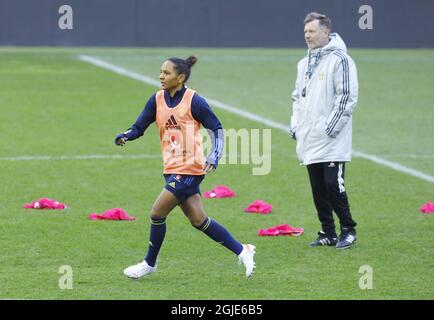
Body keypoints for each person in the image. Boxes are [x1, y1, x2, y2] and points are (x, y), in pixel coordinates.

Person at [115, 55, 256, 278]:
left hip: (190, 168)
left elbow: (216, 128)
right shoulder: (157, 99)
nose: (161, 76)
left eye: (167, 73)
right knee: (199, 221)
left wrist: (214, 156)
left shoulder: (194, 101)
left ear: (180, 78)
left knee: (157, 212)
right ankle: (243, 250)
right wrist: (126, 135)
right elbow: (139, 126)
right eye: (161, 71)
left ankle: (149, 264)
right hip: (171, 168)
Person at [289, 13, 359, 249]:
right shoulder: (303, 63)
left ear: (325, 33)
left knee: (333, 184)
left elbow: (347, 98)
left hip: (331, 138)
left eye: (312, 31)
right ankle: (327, 232)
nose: (307, 35)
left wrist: (330, 128)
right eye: (305, 31)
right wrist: (296, 125)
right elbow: (297, 97)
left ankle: (348, 229)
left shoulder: (341, 60)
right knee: (318, 186)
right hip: (309, 137)